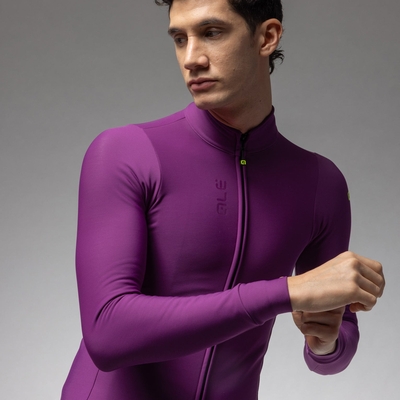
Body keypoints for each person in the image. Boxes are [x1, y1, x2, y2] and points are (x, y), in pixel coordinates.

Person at [61, 0, 385, 399]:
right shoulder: (125, 153)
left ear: (267, 37)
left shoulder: (321, 183)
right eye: (180, 39)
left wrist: (326, 341)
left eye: (211, 33)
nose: (191, 59)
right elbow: (108, 333)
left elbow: (335, 347)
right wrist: (286, 292)